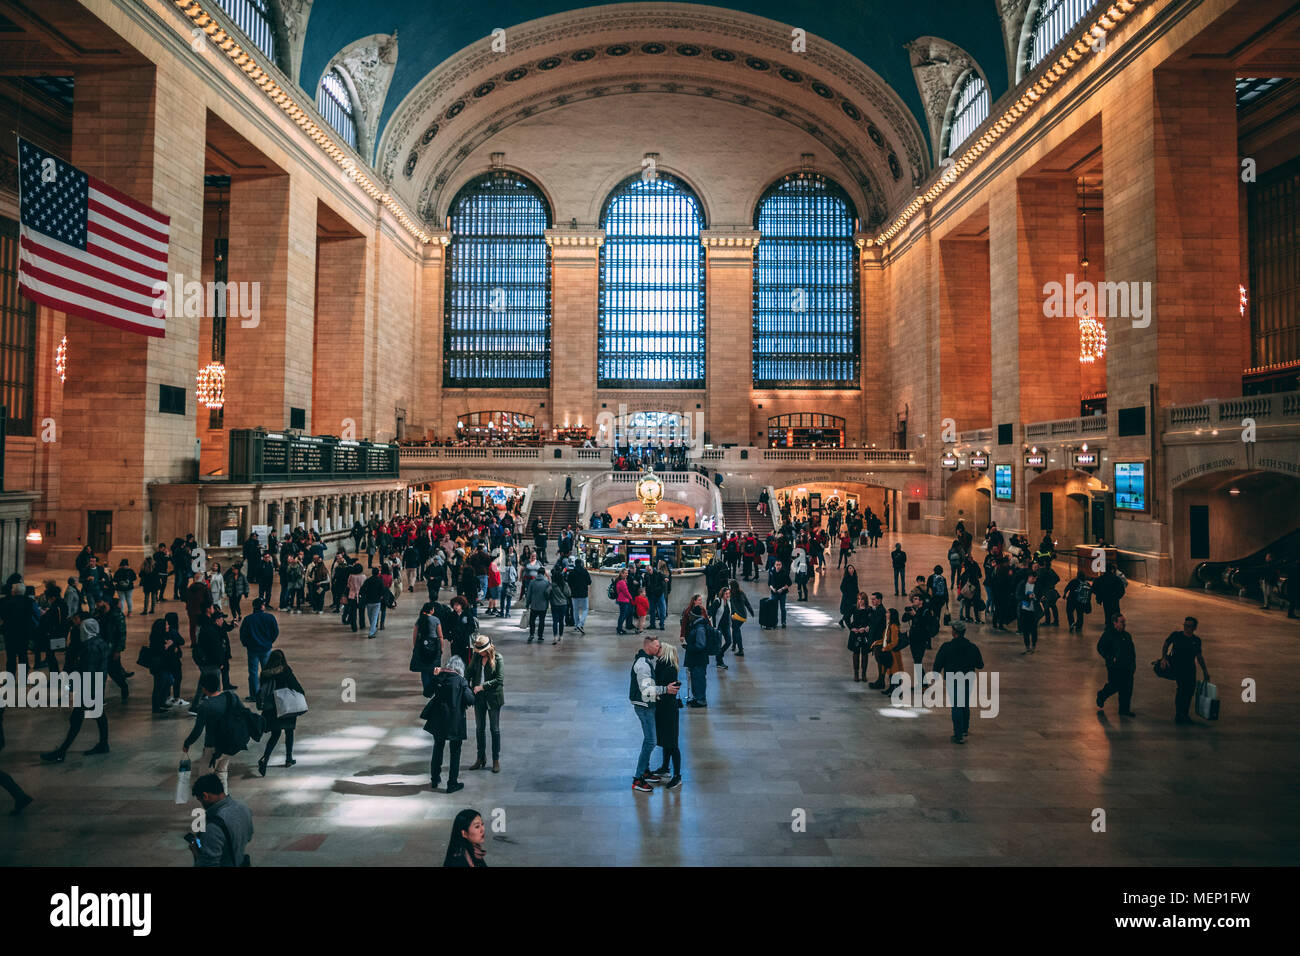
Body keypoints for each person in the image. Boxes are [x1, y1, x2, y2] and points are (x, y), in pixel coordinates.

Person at [40, 615, 110, 762]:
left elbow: (86, 671)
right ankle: (103, 743)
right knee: (98, 715)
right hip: (97, 686)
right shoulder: (101, 643)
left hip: (88, 688)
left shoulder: (89, 647)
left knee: (77, 719)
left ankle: (62, 751)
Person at [631, 632, 680, 792]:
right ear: (650, 647)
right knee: (652, 741)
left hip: (655, 707)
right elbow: (647, 690)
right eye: (657, 646)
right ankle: (640, 776)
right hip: (647, 706)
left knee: (657, 741)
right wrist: (666, 689)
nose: (659, 649)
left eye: (660, 647)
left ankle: (646, 772)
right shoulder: (646, 664)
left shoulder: (652, 663)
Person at [421, 655, 475, 793]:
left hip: (438, 720)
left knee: (438, 748)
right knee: (455, 752)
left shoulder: (439, 677)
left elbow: (427, 693)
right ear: (460, 669)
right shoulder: (461, 681)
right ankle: (452, 783)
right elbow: (470, 699)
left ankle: (434, 778)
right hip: (455, 721)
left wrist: (434, 677)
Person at [183, 672, 241, 794]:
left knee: (205, 777)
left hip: (213, 746)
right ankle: (224, 799)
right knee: (221, 773)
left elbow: (198, 730)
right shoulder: (231, 696)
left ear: (203, 688)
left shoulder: (205, 706)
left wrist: (187, 743)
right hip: (229, 744)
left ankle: (210, 804)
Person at [933, 621, 984, 745]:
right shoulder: (972, 647)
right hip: (968, 678)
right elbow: (980, 665)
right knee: (965, 703)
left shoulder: (947, 646)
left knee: (956, 705)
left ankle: (958, 734)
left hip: (953, 679)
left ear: (954, 632)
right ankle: (965, 729)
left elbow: (938, 663)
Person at [255, 649, 304, 775]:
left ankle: (265, 758)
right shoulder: (285, 670)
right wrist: (301, 694)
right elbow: (295, 685)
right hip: (286, 706)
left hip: (272, 709)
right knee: (289, 732)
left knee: (275, 735)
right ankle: (288, 759)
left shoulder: (265, 673)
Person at [190, 773, 254, 867]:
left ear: (205, 796)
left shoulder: (213, 828)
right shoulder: (244, 808)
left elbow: (208, 864)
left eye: (200, 800)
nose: (202, 805)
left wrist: (196, 852)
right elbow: (248, 837)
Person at [1160, 616, 1210, 725]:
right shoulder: (1176, 635)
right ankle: (1179, 714)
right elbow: (1166, 644)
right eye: (1185, 625)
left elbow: (1199, 656)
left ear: (1194, 628)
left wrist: (1205, 671)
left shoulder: (1196, 640)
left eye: (1189, 626)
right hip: (1179, 668)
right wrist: (1163, 658)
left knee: (1189, 691)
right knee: (1182, 690)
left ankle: (1185, 714)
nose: (1186, 628)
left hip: (1190, 669)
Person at [466, 634, 504, 773]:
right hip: (479, 698)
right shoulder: (476, 658)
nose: (477, 652)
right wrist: (467, 686)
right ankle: (480, 757)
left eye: (479, 650)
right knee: (479, 729)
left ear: (487, 650)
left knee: (494, 730)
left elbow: (499, 680)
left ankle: (495, 760)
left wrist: (482, 686)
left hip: (493, 698)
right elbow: (469, 672)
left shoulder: (498, 658)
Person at [649, 639, 684, 789]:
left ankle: (677, 775)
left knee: (672, 743)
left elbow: (663, 688)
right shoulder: (662, 665)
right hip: (663, 709)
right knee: (666, 740)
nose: (658, 648)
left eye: (660, 647)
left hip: (668, 710)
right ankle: (665, 767)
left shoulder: (669, 668)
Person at [1095, 613, 1137, 717]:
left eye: (1124, 622)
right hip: (1114, 667)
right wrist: (1110, 658)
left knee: (1127, 688)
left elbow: (1132, 651)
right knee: (1114, 685)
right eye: (1122, 622)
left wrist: (1133, 665)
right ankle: (1102, 695)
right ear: (1115, 623)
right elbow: (1100, 648)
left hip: (1127, 667)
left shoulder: (1127, 635)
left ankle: (1124, 709)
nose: (1124, 624)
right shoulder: (1108, 635)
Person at [239, 598, 279, 702]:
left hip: (252, 649)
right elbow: (275, 631)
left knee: (253, 673)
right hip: (266, 648)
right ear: (262, 606)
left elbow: (243, 634)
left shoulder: (248, 619)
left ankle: (254, 695)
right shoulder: (269, 618)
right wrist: (269, 642)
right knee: (267, 672)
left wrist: (247, 644)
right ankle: (267, 693)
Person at [412, 602, 444, 697]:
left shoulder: (420, 620)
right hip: (434, 645)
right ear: (431, 610)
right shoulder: (436, 620)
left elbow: (415, 635)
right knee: (434, 668)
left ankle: (427, 690)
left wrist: (415, 647)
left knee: (424, 670)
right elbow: (440, 636)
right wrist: (441, 648)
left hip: (422, 646)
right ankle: (433, 689)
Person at [682, 604, 711, 708]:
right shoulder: (697, 625)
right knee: (695, 678)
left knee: (699, 679)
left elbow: (700, 645)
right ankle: (697, 698)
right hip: (696, 659)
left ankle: (701, 700)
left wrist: (689, 647)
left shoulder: (700, 628)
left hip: (699, 659)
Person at [847, 592, 871, 682]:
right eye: (858, 599)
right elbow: (846, 617)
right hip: (856, 633)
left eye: (862, 599)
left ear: (865, 600)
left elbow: (872, 620)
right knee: (856, 653)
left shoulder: (869, 609)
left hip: (864, 633)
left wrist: (867, 627)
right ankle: (856, 673)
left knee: (865, 653)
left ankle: (864, 674)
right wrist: (851, 628)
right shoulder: (854, 608)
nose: (860, 601)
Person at [1016, 570, 1040, 654]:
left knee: (1034, 629)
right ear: (1029, 577)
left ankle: (1033, 644)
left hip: (1034, 611)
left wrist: (1037, 597)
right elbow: (1018, 596)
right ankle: (1027, 646)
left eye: (1036, 579)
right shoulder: (1022, 585)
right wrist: (1027, 597)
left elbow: (1039, 595)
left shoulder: (1037, 585)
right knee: (1025, 629)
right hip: (1024, 610)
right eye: (1033, 579)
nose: (1034, 580)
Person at [728, 578, 753, 658]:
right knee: (735, 629)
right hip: (743, 616)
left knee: (736, 631)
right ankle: (734, 645)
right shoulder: (741, 593)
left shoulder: (732, 595)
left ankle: (740, 649)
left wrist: (732, 614)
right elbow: (747, 603)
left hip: (736, 616)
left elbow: (732, 607)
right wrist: (751, 612)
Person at [526, 566, 551, 643]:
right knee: (541, 621)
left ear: (537, 573)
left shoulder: (532, 582)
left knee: (532, 621)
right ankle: (540, 636)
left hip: (534, 605)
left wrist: (527, 604)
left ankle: (531, 634)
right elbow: (548, 594)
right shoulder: (546, 583)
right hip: (543, 606)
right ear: (544, 573)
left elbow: (529, 594)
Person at [548, 566, 572, 644]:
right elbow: (568, 593)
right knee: (561, 621)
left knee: (555, 621)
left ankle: (555, 636)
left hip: (554, 605)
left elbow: (546, 592)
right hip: (563, 605)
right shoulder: (564, 584)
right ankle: (561, 636)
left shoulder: (552, 585)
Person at [568, 558, 591, 634]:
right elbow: (589, 582)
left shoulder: (572, 572)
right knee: (585, 609)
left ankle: (576, 624)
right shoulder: (584, 571)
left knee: (575, 610)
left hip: (574, 594)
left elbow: (569, 582)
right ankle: (580, 623)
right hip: (583, 593)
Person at [768, 560, 791, 628]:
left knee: (782, 608)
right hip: (774, 593)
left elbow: (789, 583)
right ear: (774, 565)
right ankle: (774, 622)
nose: (778, 566)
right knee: (774, 609)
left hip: (782, 593)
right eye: (777, 565)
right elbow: (769, 583)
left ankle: (783, 622)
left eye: (779, 565)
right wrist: (772, 589)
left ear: (781, 565)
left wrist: (782, 589)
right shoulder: (771, 572)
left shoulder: (784, 572)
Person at [838, 564, 859, 629]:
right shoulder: (846, 578)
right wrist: (846, 594)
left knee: (850, 611)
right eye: (849, 568)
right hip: (847, 598)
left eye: (852, 568)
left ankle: (841, 621)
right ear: (847, 570)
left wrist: (858, 594)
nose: (851, 569)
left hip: (854, 597)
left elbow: (856, 586)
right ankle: (851, 628)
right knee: (848, 611)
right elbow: (842, 587)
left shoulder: (855, 577)